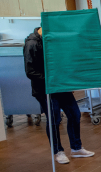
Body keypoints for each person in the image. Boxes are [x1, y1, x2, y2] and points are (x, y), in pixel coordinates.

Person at [23, 27, 94, 164]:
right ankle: (58, 151)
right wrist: (51, 80)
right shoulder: (32, 44)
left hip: (61, 86)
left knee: (74, 114)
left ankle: (76, 148)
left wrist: (67, 82)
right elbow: (30, 71)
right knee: (54, 119)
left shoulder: (53, 40)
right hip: (45, 88)